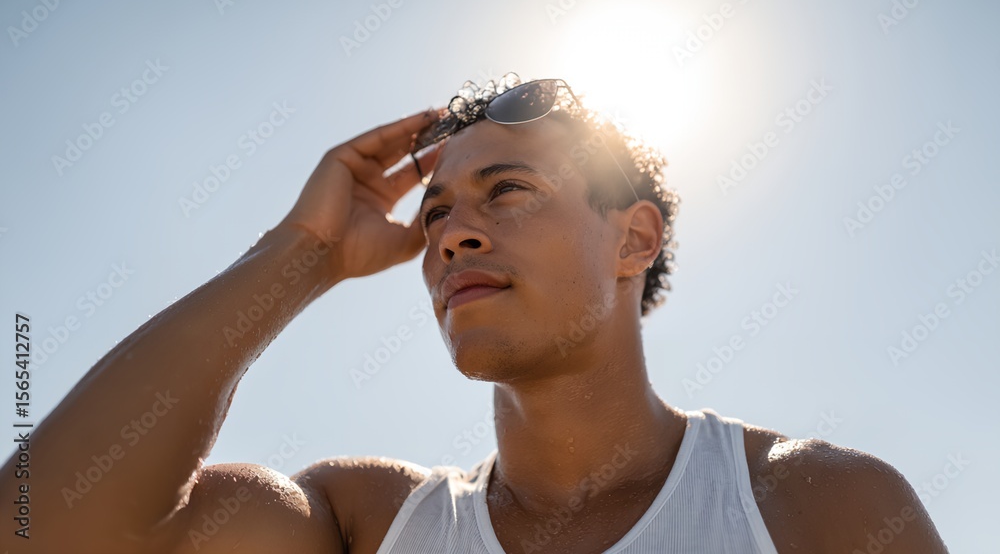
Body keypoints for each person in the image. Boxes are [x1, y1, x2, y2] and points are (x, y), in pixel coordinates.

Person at [1, 74, 948, 553]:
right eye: (439, 209)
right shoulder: (368, 524)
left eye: (509, 190)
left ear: (634, 240)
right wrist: (301, 257)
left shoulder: (816, 508)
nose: (452, 236)